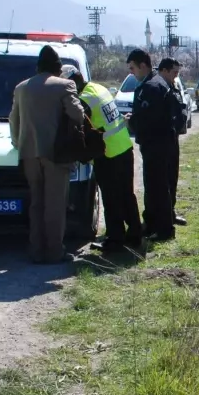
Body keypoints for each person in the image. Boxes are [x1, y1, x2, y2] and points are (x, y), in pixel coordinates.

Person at [9, 46, 86, 264]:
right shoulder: (65, 85)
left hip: (29, 153)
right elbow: (77, 114)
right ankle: (54, 250)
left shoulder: (21, 87)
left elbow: (13, 120)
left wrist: (19, 143)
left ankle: (36, 248)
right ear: (58, 68)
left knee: (36, 202)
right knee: (55, 204)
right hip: (56, 154)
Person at [62, 65, 142, 254]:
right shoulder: (98, 88)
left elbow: (78, 128)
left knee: (111, 197)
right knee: (126, 194)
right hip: (123, 147)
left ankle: (115, 240)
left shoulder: (84, 100)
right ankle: (135, 233)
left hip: (108, 154)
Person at [127, 49, 178, 241]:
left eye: (132, 68)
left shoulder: (151, 87)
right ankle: (152, 224)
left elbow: (149, 120)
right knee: (153, 186)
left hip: (156, 144)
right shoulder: (154, 83)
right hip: (159, 143)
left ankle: (164, 230)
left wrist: (131, 123)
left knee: (157, 187)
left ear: (143, 65)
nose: (131, 72)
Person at [156, 58, 188, 226]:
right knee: (164, 181)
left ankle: (171, 212)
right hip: (163, 142)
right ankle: (163, 218)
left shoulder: (171, 86)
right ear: (165, 71)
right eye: (174, 73)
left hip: (172, 138)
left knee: (172, 177)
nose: (176, 76)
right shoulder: (157, 87)